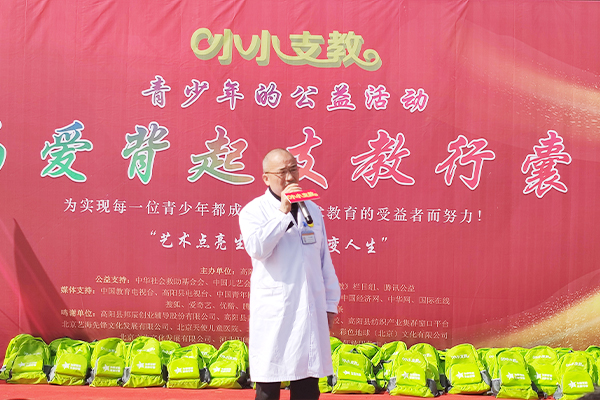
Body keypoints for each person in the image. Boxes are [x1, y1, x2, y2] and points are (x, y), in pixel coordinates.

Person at [239, 148, 341, 400]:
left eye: (293, 170)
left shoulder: (311, 210)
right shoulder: (254, 211)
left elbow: (323, 259)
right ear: (266, 178)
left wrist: (330, 304)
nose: (290, 177)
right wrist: (282, 212)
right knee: (268, 388)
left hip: (309, 308)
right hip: (276, 310)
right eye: (282, 172)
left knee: (307, 386)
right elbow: (258, 249)